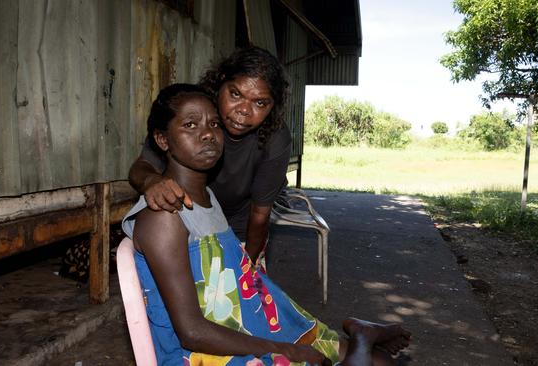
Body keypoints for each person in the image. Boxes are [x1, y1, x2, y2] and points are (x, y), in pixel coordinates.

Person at [122, 83, 411, 365]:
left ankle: (362, 337)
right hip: (198, 351)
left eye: (214, 124)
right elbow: (192, 332)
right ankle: (361, 336)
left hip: (233, 327)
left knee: (381, 360)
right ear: (162, 140)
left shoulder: (206, 197)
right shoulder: (164, 216)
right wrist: (285, 349)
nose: (208, 135)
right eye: (190, 125)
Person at [128, 46, 292, 266]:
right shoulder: (193, 111)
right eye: (235, 94)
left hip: (240, 232)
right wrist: (152, 181)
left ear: (273, 107)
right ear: (220, 83)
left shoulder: (275, 138)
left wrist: (246, 268)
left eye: (260, 102)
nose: (243, 110)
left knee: (247, 295)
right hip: (186, 223)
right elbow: (141, 166)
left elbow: (260, 216)